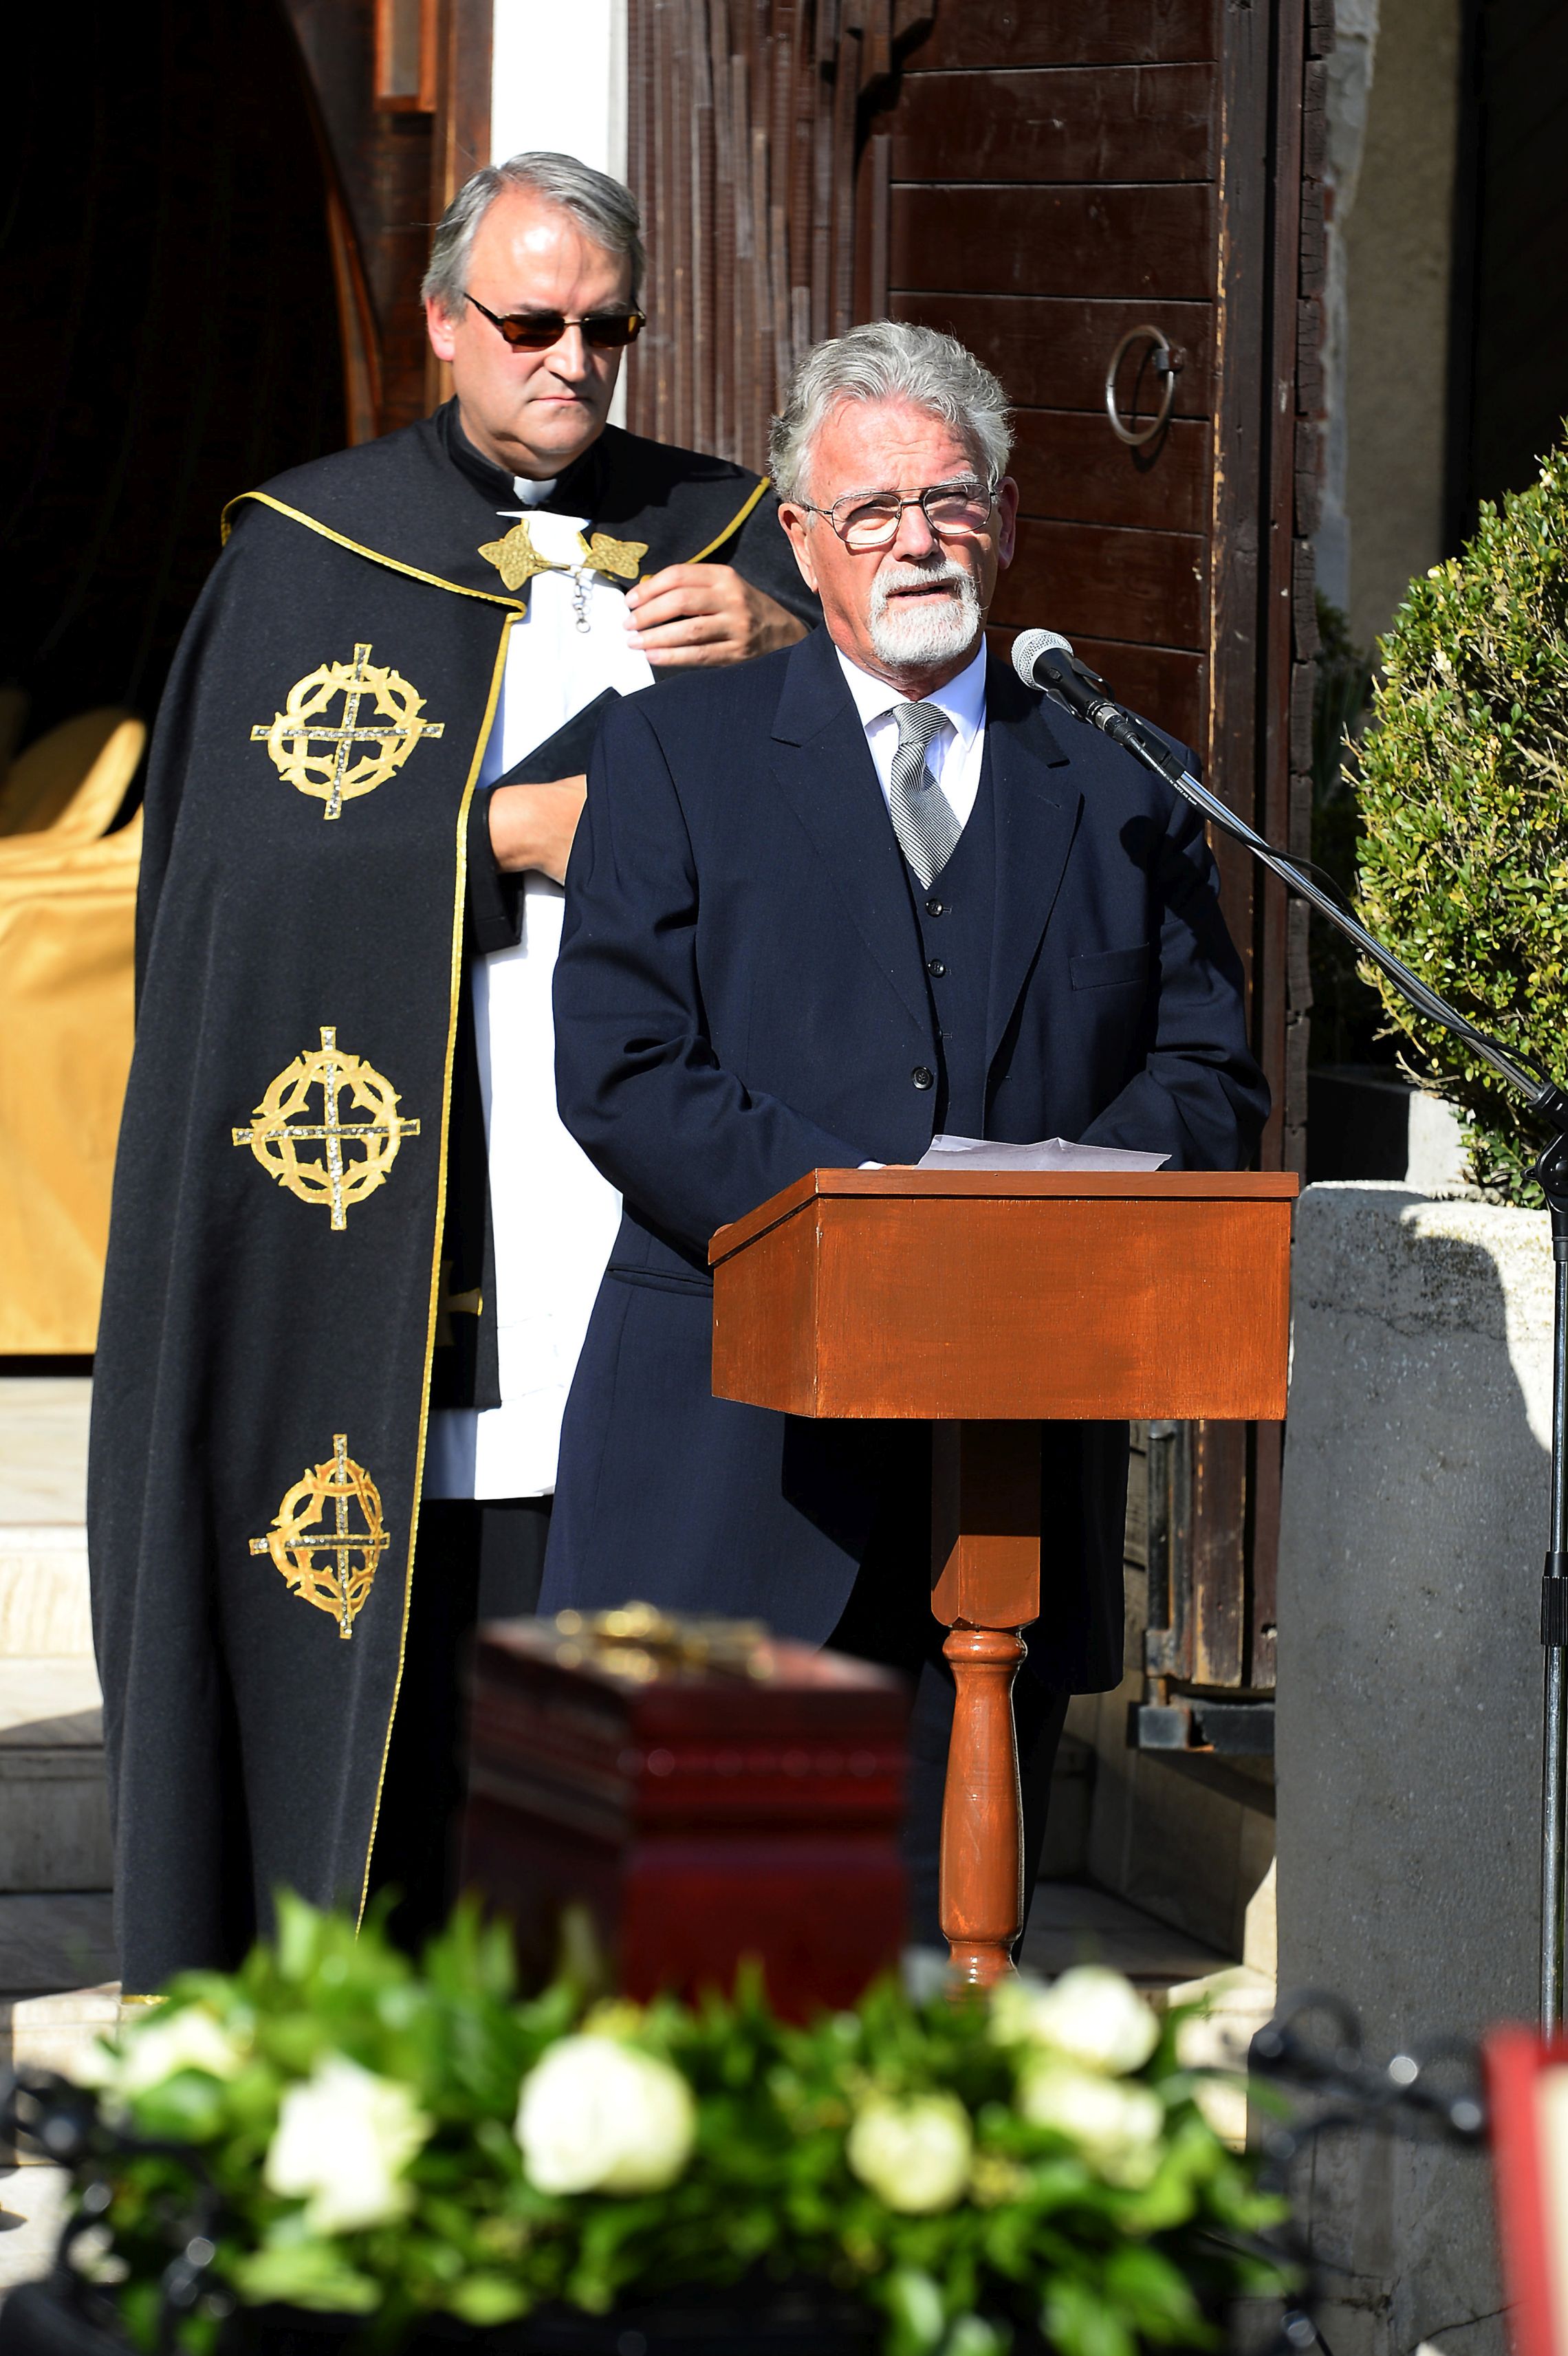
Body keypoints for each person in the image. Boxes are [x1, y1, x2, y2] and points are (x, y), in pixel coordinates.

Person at [88, 153, 816, 1989]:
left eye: (608, 328)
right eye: (531, 322)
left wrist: (797, 651)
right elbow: (235, 884)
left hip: (651, 1192)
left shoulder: (732, 539)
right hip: (399, 1174)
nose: (573, 362)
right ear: (440, 323)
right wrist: (493, 837)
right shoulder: (305, 551)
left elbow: (904, 810)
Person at [541, 320, 1269, 1944]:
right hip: (731, 1453)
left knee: (942, 1967)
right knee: (688, 1964)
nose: (916, 541)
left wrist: (1040, 1211)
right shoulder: (675, 755)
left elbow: (1209, 1077)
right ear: (801, 540)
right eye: (870, 510)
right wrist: (865, 1229)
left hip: (998, 1473)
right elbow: (627, 1070)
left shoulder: (1121, 778)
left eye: (949, 501)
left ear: (1005, 523)